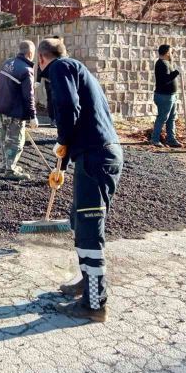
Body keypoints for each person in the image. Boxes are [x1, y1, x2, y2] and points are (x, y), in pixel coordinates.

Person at [37, 37, 123, 323]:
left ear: (41, 59)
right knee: (79, 219)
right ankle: (87, 282)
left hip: (95, 157)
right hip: (99, 155)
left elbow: (68, 106)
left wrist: (63, 140)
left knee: (89, 228)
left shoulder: (60, 68)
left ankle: (95, 303)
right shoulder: (78, 68)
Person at [0, 40, 39, 180]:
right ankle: (11, 170)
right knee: (16, 141)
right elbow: (28, 96)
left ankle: (5, 164)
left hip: (1, 108)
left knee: (3, 138)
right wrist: (32, 116)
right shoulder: (26, 70)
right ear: (30, 53)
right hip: (14, 112)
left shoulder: (8, 63)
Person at [151, 44, 181, 148]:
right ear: (167, 53)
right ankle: (154, 139)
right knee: (162, 118)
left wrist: (175, 70)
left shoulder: (167, 63)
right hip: (164, 96)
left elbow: (169, 77)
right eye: (171, 52)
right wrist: (177, 72)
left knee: (171, 118)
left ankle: (171, 139)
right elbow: (165, 80)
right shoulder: (161, 64)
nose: (172, 54)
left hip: (171, 96)